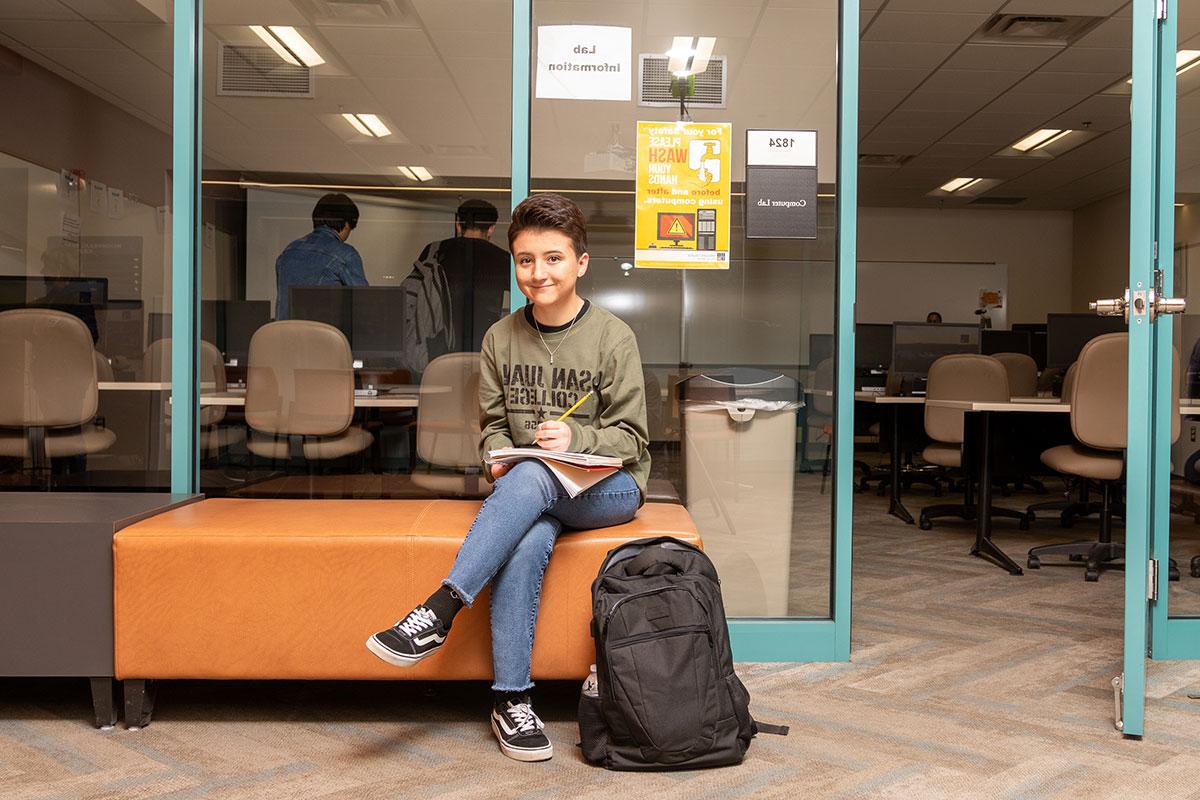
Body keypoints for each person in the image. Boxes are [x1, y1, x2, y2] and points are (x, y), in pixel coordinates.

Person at [367, 193, 650, 763]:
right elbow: (493, 427)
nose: (537, 273)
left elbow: (635, 440)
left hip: (610, 488)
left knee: (537, 481)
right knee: (526, 535)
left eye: (552, 259)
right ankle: (512, 701)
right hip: (530, 489)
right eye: (525, 260)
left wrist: (578, 441)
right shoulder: (500, 338)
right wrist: (497, 455)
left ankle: (440, 610)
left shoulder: (613, 337)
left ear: (580, 263)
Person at [400, 199, 511, 373]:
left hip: (438, 344)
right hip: (483, 344)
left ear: (458, 224)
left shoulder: (434, 251)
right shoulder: (502, 259)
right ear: (491, 228)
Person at [274, 193, 367, 320]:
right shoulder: (345, 254)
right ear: (346, 225)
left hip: (285, 336)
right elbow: (365, 303)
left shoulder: (289, 251)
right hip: (323, 337)